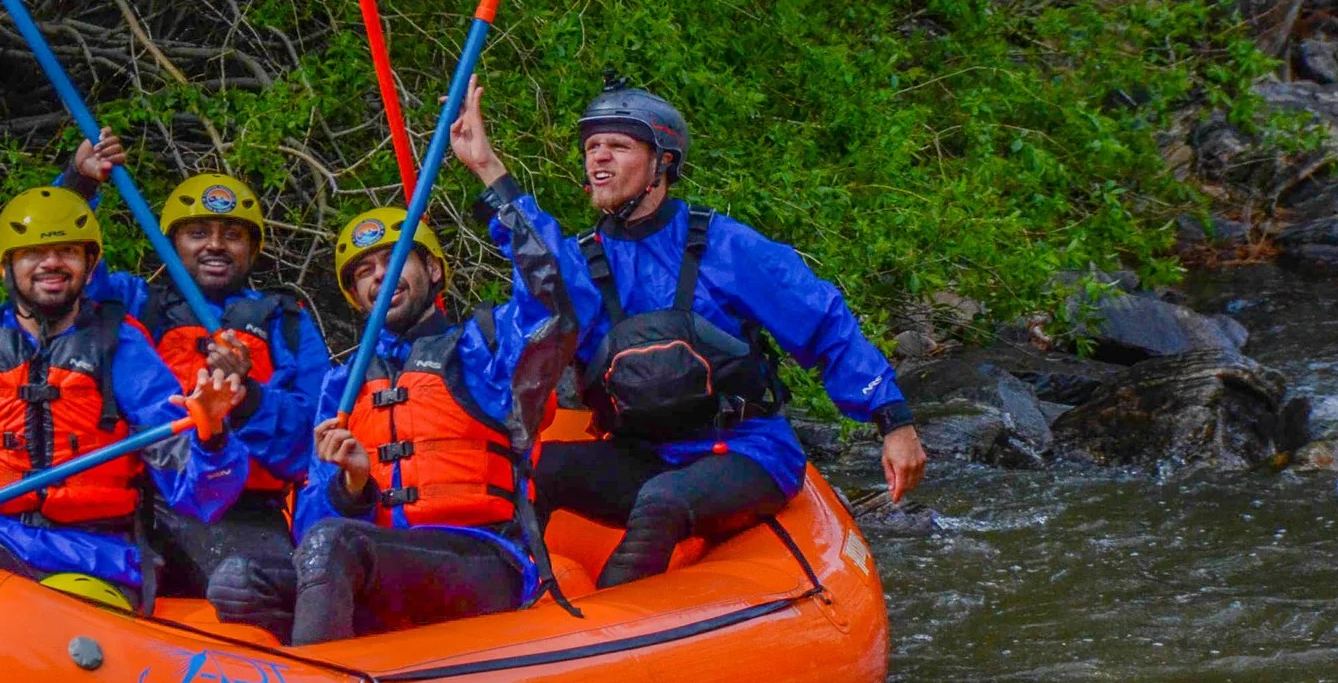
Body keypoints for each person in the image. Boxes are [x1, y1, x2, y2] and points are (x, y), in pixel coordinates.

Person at [457, 76, 924, 588]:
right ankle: (506, 606)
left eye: (618, 145)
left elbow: (821, 319)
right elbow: (537, 270)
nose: (599, 159)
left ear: (663, 162)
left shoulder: (723, 246)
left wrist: (892, 420)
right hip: (641, 454)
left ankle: (613, 626)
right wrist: (487, 167)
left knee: (663, 500)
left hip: (745, 450)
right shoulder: (579, 262)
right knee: (533, 474)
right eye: (592, 147)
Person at [211, 109, 576, 645]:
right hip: (381, 564)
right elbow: (311, 523)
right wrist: (353, 487)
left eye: (394, 259)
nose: (380, 275)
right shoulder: (344, 383)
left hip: (483, 559)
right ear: (356, 296)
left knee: (335, 547)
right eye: (364, 270)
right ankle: (352, 674)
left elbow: (554, 295)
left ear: (432, 270)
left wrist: (491, 173)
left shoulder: (485, 346)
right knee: (236, 582)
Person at [0, 185, 249, 600]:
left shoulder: (122, 348)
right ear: (5, 267)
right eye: (33, 254)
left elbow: (199, 491)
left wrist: (213, 437)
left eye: (67, 252)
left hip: (94, 555)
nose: (51, 264)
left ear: (89, 263)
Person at [55, 135, 329, 595]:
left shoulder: (286, 321)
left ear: (253, 249)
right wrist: (78, 186)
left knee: (248, 593)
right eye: (198, 233)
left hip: (246, 511)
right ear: (173, 244)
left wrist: (249, 398)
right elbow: (59, 270)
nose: (215, 246)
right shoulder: (133, 304)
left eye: (232, 235)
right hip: (148, 507)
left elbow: (312, 439)